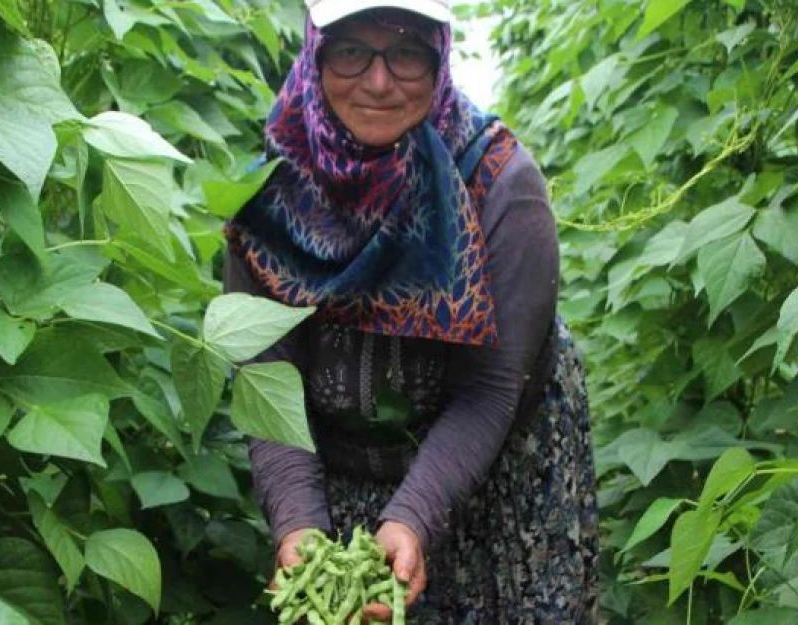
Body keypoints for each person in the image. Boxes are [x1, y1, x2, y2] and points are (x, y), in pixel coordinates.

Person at [223, 0, 598, 622]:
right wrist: (298, 522)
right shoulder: (271, 192)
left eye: (405, 53)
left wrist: (415, 515)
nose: (377, 81)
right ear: (315, 57)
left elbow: (492, 386)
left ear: (439, 59)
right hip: (339, 468)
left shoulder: (500, 183)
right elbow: (267, 371)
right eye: (350, 52)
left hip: (491, 467)